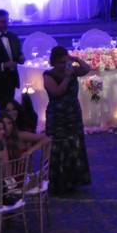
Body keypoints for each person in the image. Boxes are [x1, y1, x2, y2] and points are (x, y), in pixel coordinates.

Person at [43, 46, 92, 195]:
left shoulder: (71, 70)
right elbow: (57, 92)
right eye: (59, 62)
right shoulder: (48, 75)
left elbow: (86, 69)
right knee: (59, 147)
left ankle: (74, 180)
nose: (62, 65)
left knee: (74, 145)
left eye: (65, 61)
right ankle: (58, 183)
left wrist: (75, 59)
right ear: (53, 62)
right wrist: (66, 77)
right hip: (57, 115)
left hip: (73, 113)